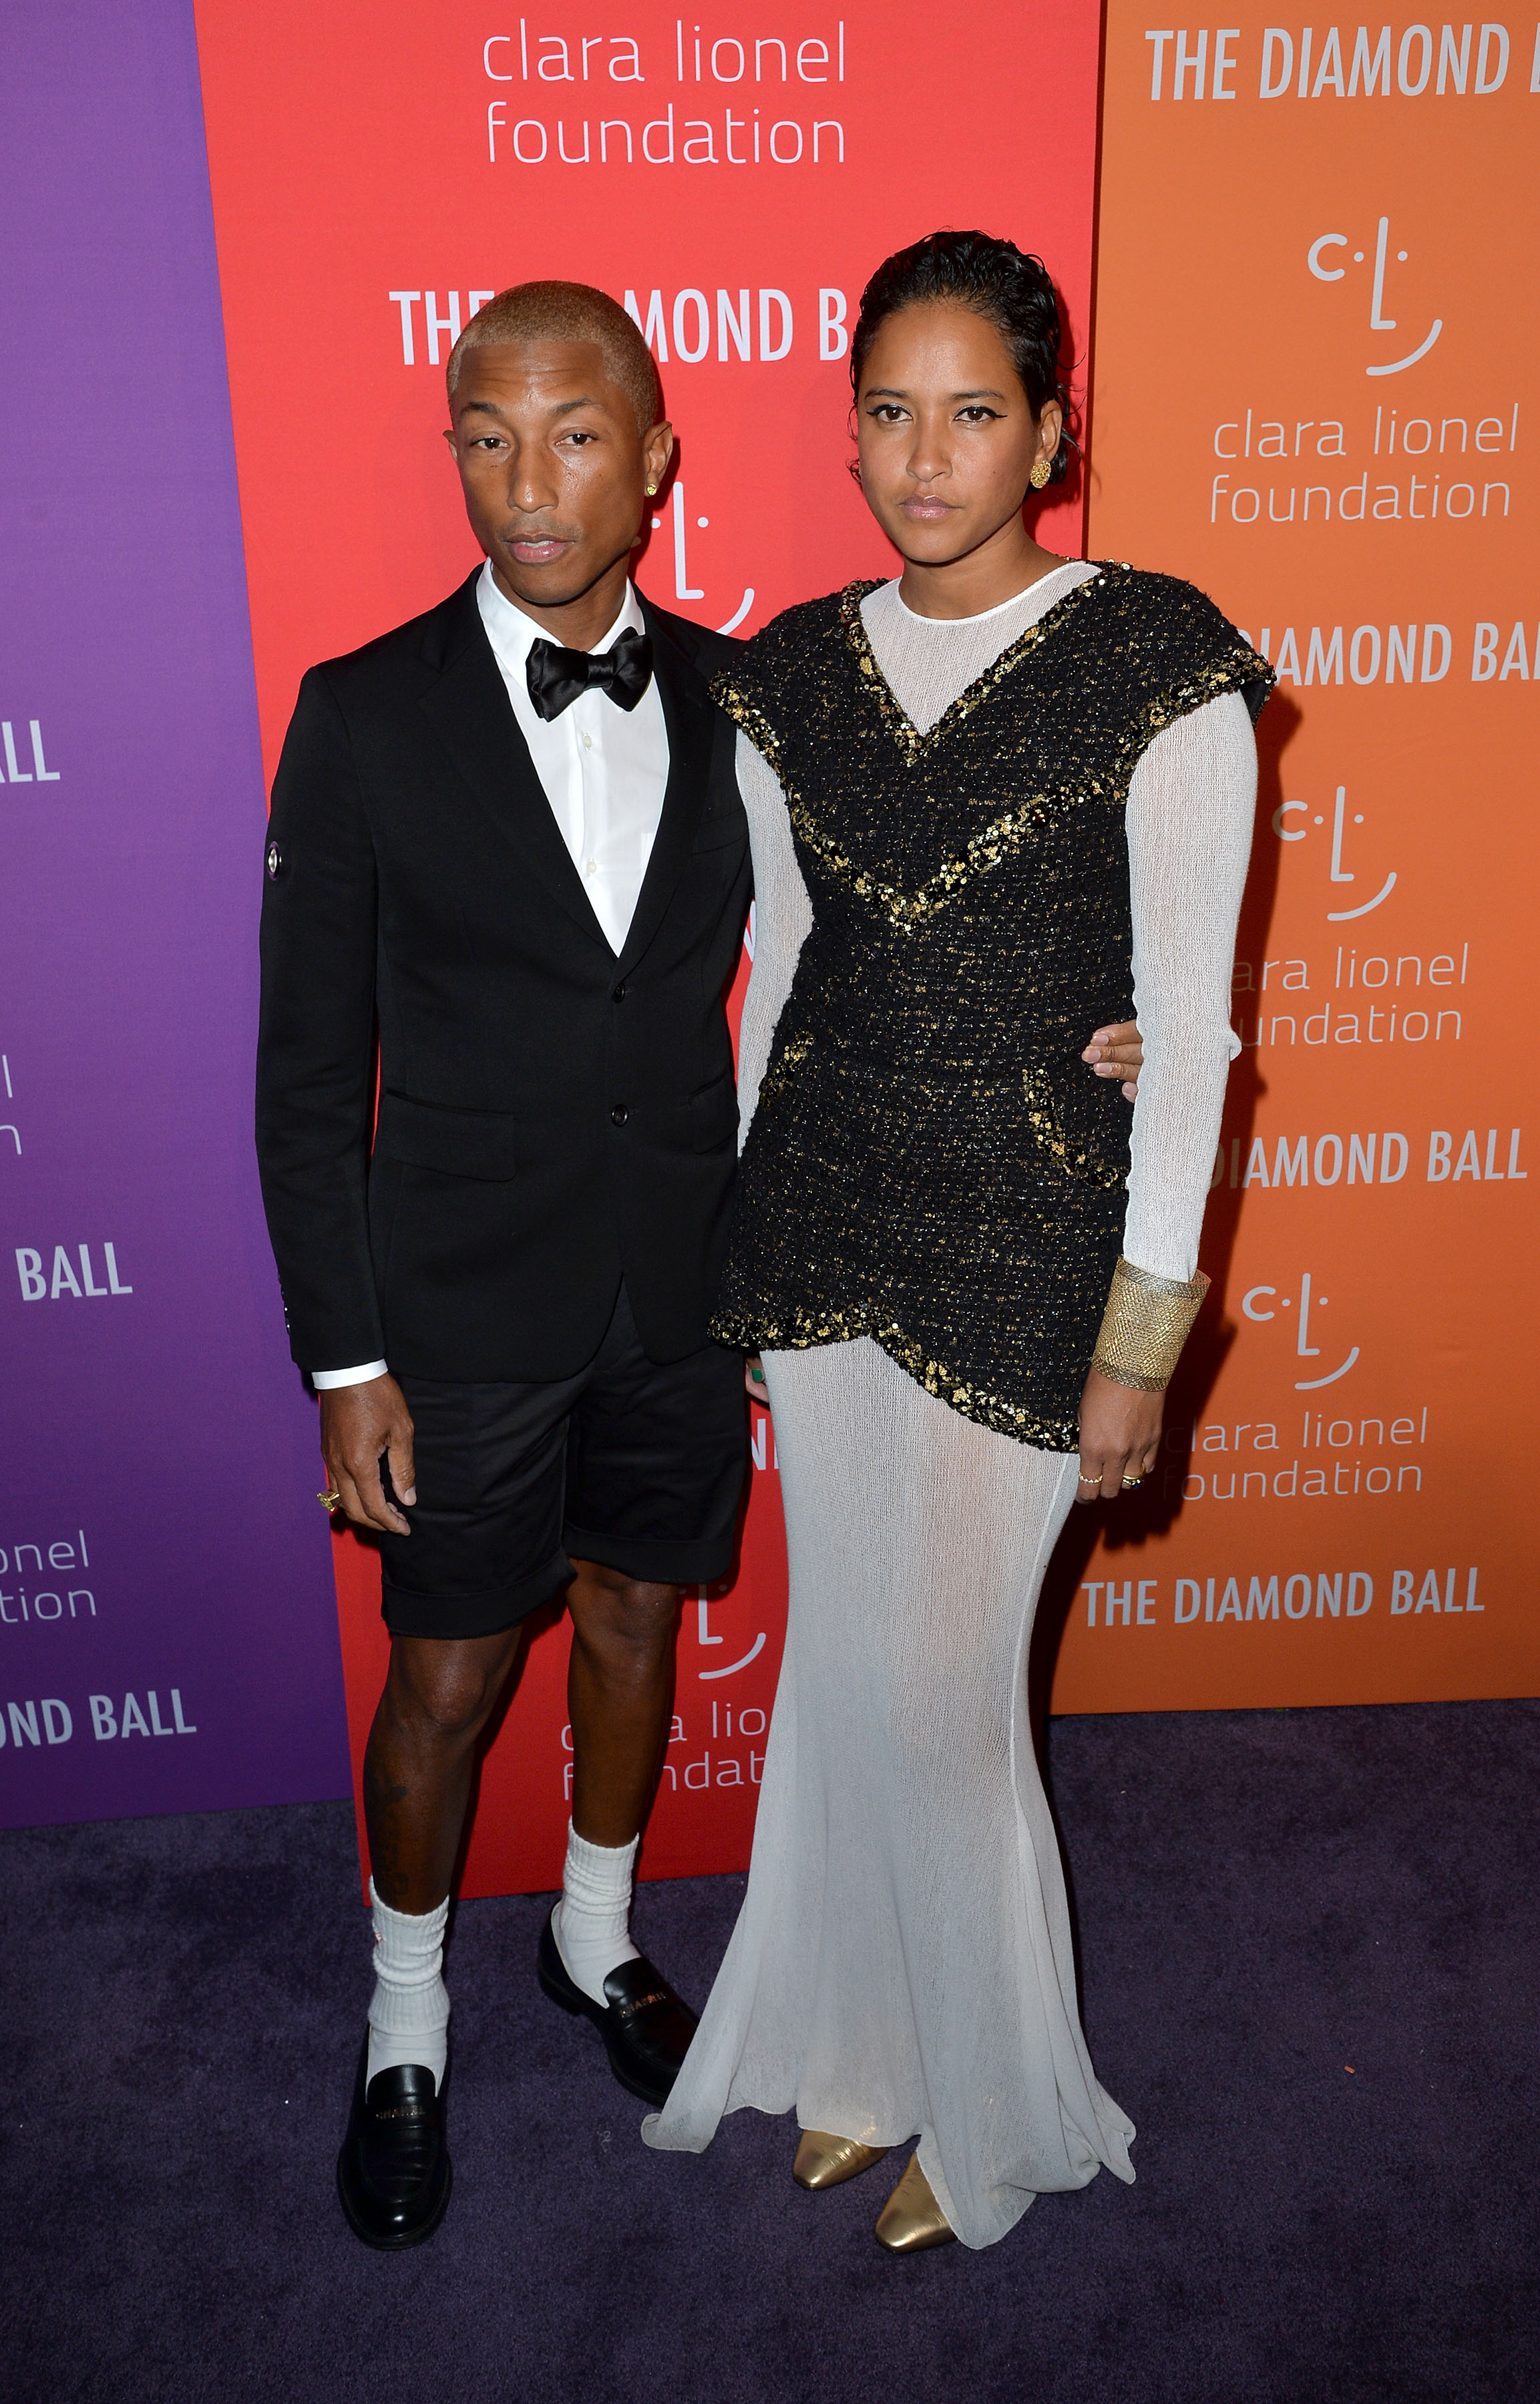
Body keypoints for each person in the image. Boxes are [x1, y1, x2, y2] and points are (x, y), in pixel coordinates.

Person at [644, 231, 1271, 2251]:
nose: (929, 458)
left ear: (1051, 433)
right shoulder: (793, 677)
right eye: (893, 414)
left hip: (1029, 1245)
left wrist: (1141, 1343)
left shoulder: (1156, 659)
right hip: (820, 1232)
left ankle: (995, 2114)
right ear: (850, 434)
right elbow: (781, 963)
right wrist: (746, 1250)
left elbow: (1186, 1039)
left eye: (975, 413)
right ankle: (860, 2049)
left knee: (943, 1695)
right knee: (846, 1676)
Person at [255, 283, 757, 2248]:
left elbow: (842, 971)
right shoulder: (364, 714)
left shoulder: (739, 702)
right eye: (484, 434)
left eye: (570, 435)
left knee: (637, 1625)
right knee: (450, 1673)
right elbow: (307, 1081)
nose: (524, 481)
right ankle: (403, 2023)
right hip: (455, 1302)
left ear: (654, 459)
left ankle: (597, 1935)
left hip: (680, 1287)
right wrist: (342, 1359)